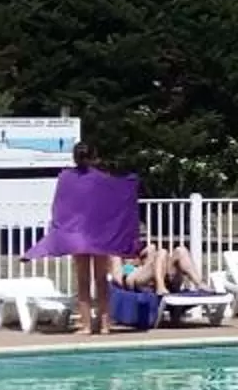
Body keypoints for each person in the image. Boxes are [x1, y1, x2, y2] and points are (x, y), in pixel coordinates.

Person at [23, 142, 146, 333]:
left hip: (77, 235)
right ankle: (105, 325)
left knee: (83, 280)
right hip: (99, 235)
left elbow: (60, 207)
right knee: (101, 279)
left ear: (74, 157)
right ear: (94, 157)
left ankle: (87, 325)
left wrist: (60, 229)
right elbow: (116, 200)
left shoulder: (66, 178)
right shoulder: (103, 179)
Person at [120, 238, 210, 295]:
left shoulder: (149, 251)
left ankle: (199, 283)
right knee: (162, 252)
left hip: (165, 278)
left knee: (181, 251)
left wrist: (149, 257)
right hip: (142, 281)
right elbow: (127, 280)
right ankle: (160, 286)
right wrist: (138, 262)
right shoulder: (123, 260)